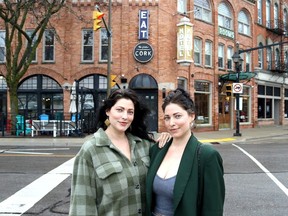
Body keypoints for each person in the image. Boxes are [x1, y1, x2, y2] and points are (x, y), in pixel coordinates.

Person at [69, 89, 170, 216]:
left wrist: (169, 139)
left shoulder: (144, 145)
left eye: (130, 112)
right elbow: (82, 205)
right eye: (119, 110)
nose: (125, 117)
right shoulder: (91, 150)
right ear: (107, 111)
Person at [146, 88, 225, 216]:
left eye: (177, 116)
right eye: (167, 118)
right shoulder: (157, 150)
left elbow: (213, 209)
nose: (171, 123)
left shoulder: (207, 156)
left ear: (191, 116)